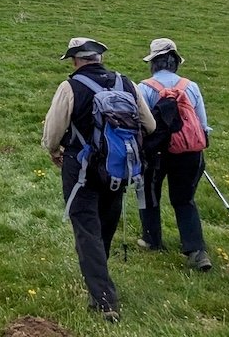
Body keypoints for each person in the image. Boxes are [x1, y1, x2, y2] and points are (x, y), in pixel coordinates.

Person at [41, 37, 155, 322]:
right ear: (99, 57)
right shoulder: (126, 83)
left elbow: (53, 130)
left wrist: (53, 150)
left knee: (86, 230)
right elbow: (149, 125)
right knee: (104, 225)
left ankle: (104, 299)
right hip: (118, 168)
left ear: (75, 59)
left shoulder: (71, 86)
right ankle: (98, 279)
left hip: (80, 168)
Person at [134, 38, 213, 271]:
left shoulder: (144, 87)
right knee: (184, 199)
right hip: (190, 152)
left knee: (148, 194)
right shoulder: (191, 86)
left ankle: (151, 239)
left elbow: (142, 124)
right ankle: (196, 251)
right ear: (175, 62)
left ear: (154, 63)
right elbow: (203, 125)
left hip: (157, 153)